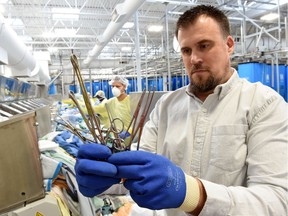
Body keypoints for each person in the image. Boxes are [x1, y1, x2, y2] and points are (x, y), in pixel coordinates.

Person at [75, 5, 288, 216]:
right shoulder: (166, 107)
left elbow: (277, 202)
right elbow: (138, 173)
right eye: (186, 50)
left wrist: (193, 194)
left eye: (204, 46)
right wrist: (103, 178)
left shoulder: (264, 104)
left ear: (229, 45)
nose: (194, 58)